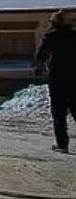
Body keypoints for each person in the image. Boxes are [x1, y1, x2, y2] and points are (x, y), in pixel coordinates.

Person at [35, 11, 76, 153]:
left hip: (58, 78)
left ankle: (62, 144)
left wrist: (39, 68)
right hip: (74, 77)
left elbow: (41, 55)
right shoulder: (74, 35)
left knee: (59, 112)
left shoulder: (50, 36)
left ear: (54, 22)